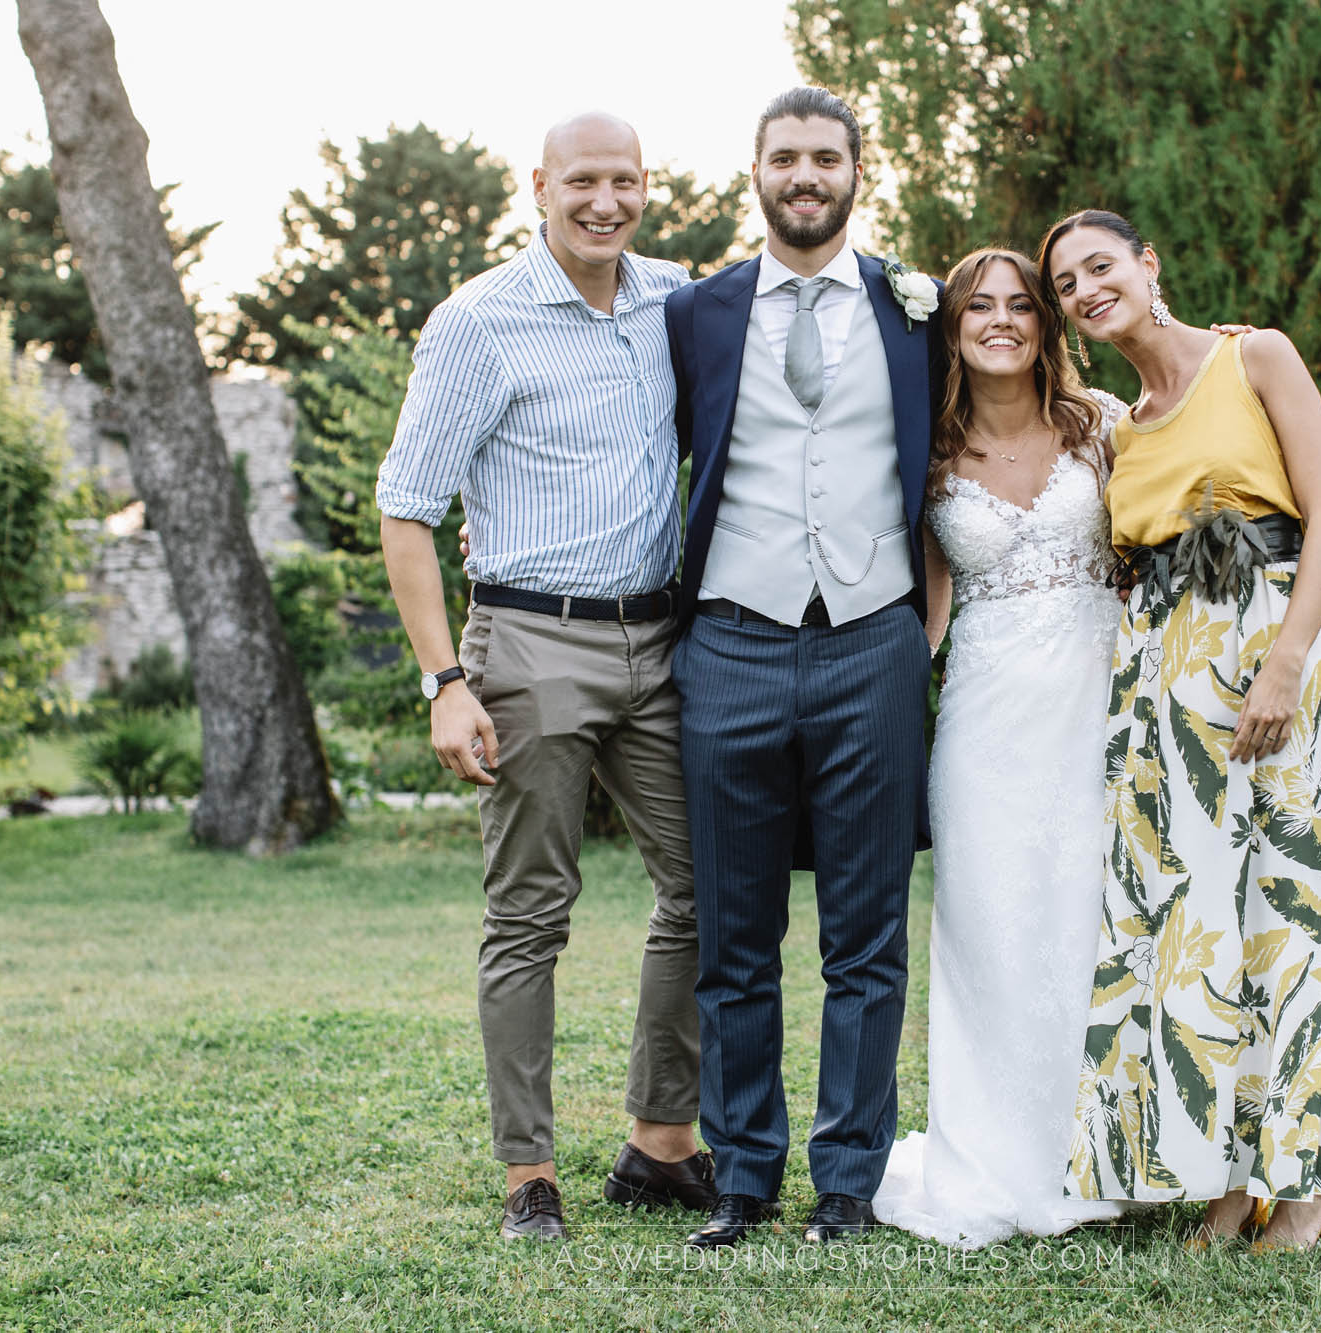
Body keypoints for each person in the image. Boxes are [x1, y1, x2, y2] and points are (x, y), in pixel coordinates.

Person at [375, 112, 716, 1244]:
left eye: (623, 178)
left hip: (661, 642)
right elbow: (408, 508)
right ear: (539, 185)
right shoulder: (478, 321)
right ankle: (528, 1171)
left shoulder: (677, 298)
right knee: (529, 912)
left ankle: (661, 1144)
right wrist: (443, 682)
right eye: (582, 180)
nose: (603, 200)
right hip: (527, 643)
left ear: (645, 184)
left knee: (708, 885)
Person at [1040, 209, 1321, 1251]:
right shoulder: (1120, 430)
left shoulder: (1252, 355)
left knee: (1289, 912)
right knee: (1194, 927)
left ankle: (1304, 1180)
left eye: (1100, 266)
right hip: (1164, 681)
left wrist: (1281, 662)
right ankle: (1228, 1178)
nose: (1086, 289)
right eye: (1065, 285)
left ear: (1147, 262)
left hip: (1274, 645)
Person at [664, 86, 941, 1248]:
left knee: (865, 936)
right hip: (728, 639)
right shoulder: (695, 314)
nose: (805, 175)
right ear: (757, 174)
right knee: (733, 935)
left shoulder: (913, 309)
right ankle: (740, 1178)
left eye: (825, 157)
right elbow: (635, 452)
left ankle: (846, 1180)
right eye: (785, 157)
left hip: (873, 640)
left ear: (855, 173)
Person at [867, 248, 1129, 1247]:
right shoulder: (926, 451)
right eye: (979, 304)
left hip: (1099, 715)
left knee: (1091, 929)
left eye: (1021, 303)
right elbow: (923, 611)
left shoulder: (1101, 426)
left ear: (1044, 324)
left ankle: (1104, 1155)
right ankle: (993, 1161)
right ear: (950, 325)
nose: (1002, 319)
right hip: (982, 723)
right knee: (989, 934)